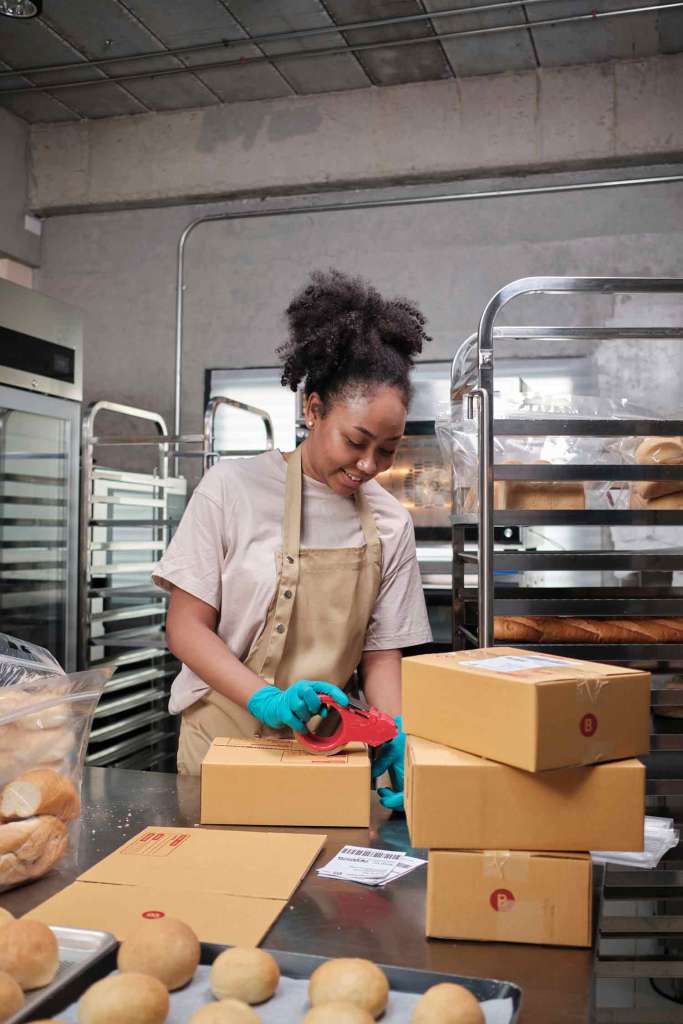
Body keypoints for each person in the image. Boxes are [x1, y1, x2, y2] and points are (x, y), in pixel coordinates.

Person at [153, 269, 433, 809]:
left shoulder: (391, 523)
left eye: (389, 449)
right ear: (313, 409)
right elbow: (185, 628)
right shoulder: (231, 489)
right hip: (223, 738)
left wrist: (395, 729)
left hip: (327, 747)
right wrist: (267, 700)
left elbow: (380, 655)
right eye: (357, 441)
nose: (369, 465)